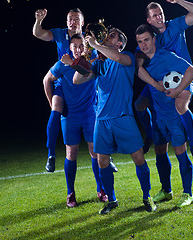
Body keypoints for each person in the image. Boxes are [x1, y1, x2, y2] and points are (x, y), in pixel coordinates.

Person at [73, 28, 156, 214]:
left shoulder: (126, 56)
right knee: (102, 161)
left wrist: (95, 44)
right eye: (107, 34)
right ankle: (111, 200)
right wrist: (86, 54)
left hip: (123, 117)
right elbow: (77, 79)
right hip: (102, 120)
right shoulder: (99, 64)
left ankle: (147, 196)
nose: (107, 36)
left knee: (138, 158)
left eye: (112, 35)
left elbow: (118, 58)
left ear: (120, 43)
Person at [33, 8, 118, 173]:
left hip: (86, 87)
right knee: (56, 109)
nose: (73, 22)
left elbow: (95, 67)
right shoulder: (60, 34)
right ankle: (51, 155)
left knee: (100, 113)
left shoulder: (89, 41)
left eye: (76, 19)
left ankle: (107, 156)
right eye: (70, 19)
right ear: (66, 22)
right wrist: (38, 20)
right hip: (65, 82)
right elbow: (39, 33)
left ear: (82, 22)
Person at [134, 1, 193, 166]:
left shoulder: (175, 25)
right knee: (139, 105)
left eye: (160, 13)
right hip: (162, 80)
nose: (159, 17)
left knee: (180, 107)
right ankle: (150, 134)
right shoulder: (149, 37)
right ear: (149, 20)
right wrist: (153, 83)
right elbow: (137, 67)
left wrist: (179, 0)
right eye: (155, 15)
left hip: (183, 76)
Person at [135, 24, 193, 207]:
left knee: (180, 152)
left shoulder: (167, 57)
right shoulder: (142, 61)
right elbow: (138, 71)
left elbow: (192, 71)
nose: (144, 45)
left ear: (154, 39)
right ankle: (166, 191)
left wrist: (178, 90)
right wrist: (155, 84)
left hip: (173, 117)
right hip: (158, 117)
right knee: (160, 151)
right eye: (140, 42)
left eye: (147, 40)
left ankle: (188, 193)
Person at [43, 34, 106, 207]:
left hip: (89, 114)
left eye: (81, 46)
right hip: (69, 115)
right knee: (71, 153)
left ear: (86, 48)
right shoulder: (62, 64)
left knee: (95, 152)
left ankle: (101, 189)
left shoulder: (92, 61)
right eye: (75, 46)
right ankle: (70, 193)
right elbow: (47, 80)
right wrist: (52, 104)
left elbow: (92, 72)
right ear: (70, 48)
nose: (78, 49)